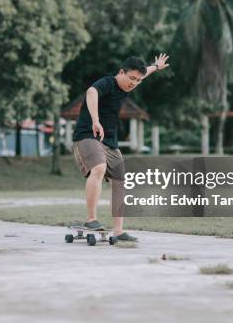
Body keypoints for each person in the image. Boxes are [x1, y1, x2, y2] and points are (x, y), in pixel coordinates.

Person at [72, 54, 170, 241]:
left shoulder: (131, 82)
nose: (133, 83)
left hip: (110, 141)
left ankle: (118, 231)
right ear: (121, 72)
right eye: (131, 78)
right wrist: (95, 120)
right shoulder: (108, 83)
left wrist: (156, 67)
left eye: (138, 81)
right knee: (99, 168)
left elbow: (144, 73)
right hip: (87, 135)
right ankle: (91, 219)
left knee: (121, 181)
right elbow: (91, 92)